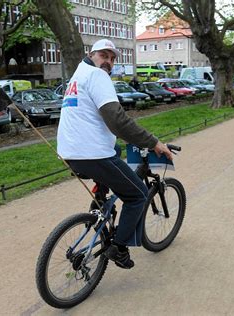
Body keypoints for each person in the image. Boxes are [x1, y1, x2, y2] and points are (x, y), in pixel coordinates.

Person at [57, 39, 173, 269]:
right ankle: (118, 248)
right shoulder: (97, 76)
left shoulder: (78, 75)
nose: (108, 62)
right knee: (138, 195)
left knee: (117, 150)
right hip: (92, 154)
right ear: (92, 54)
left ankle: (100, 199)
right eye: (104, 56)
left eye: (112, 58)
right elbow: (117, 121)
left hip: (70, 152)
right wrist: (153, 142)